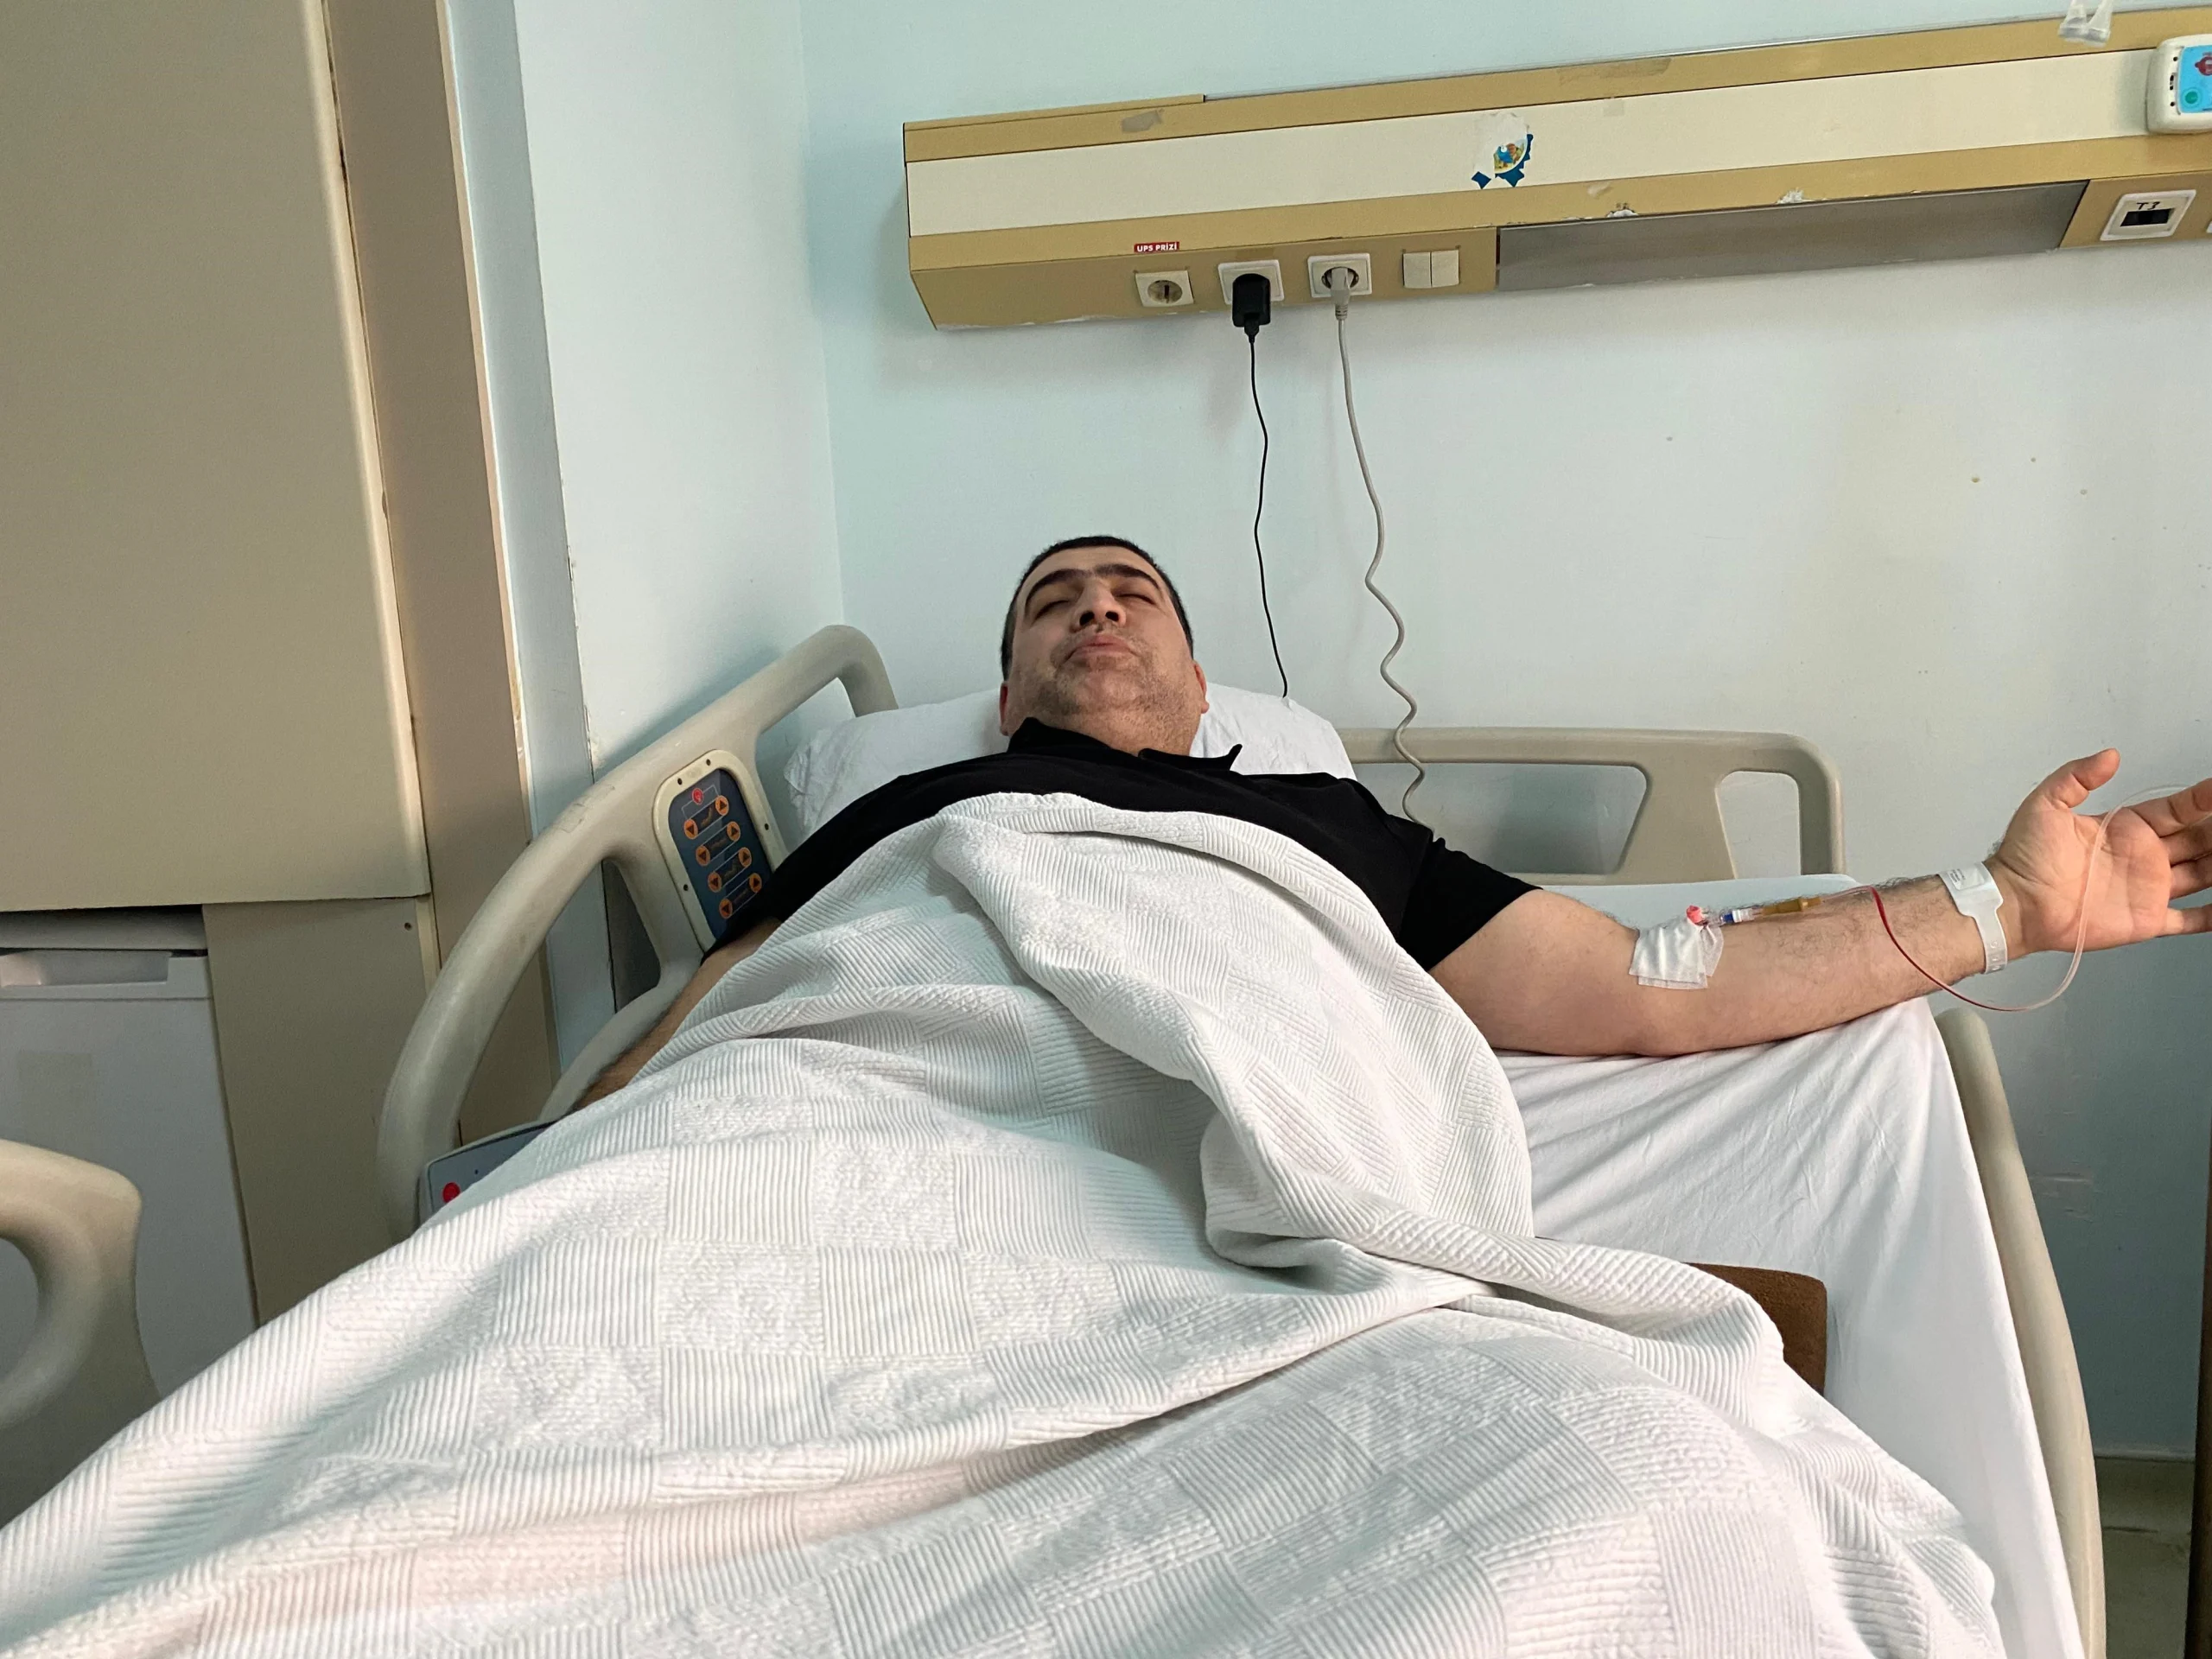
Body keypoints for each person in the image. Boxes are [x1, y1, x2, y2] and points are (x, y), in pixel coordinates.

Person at [583, 533, 2212, 1103]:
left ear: (1198, 681)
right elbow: (717, 1005)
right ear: (1009, 691)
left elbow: (1644, 984)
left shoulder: (1309, 817)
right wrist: (552, 1165)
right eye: (1053, 604)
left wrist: (2005, 905)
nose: (1095, 609)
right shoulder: (917, 802)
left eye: (1130, 593)